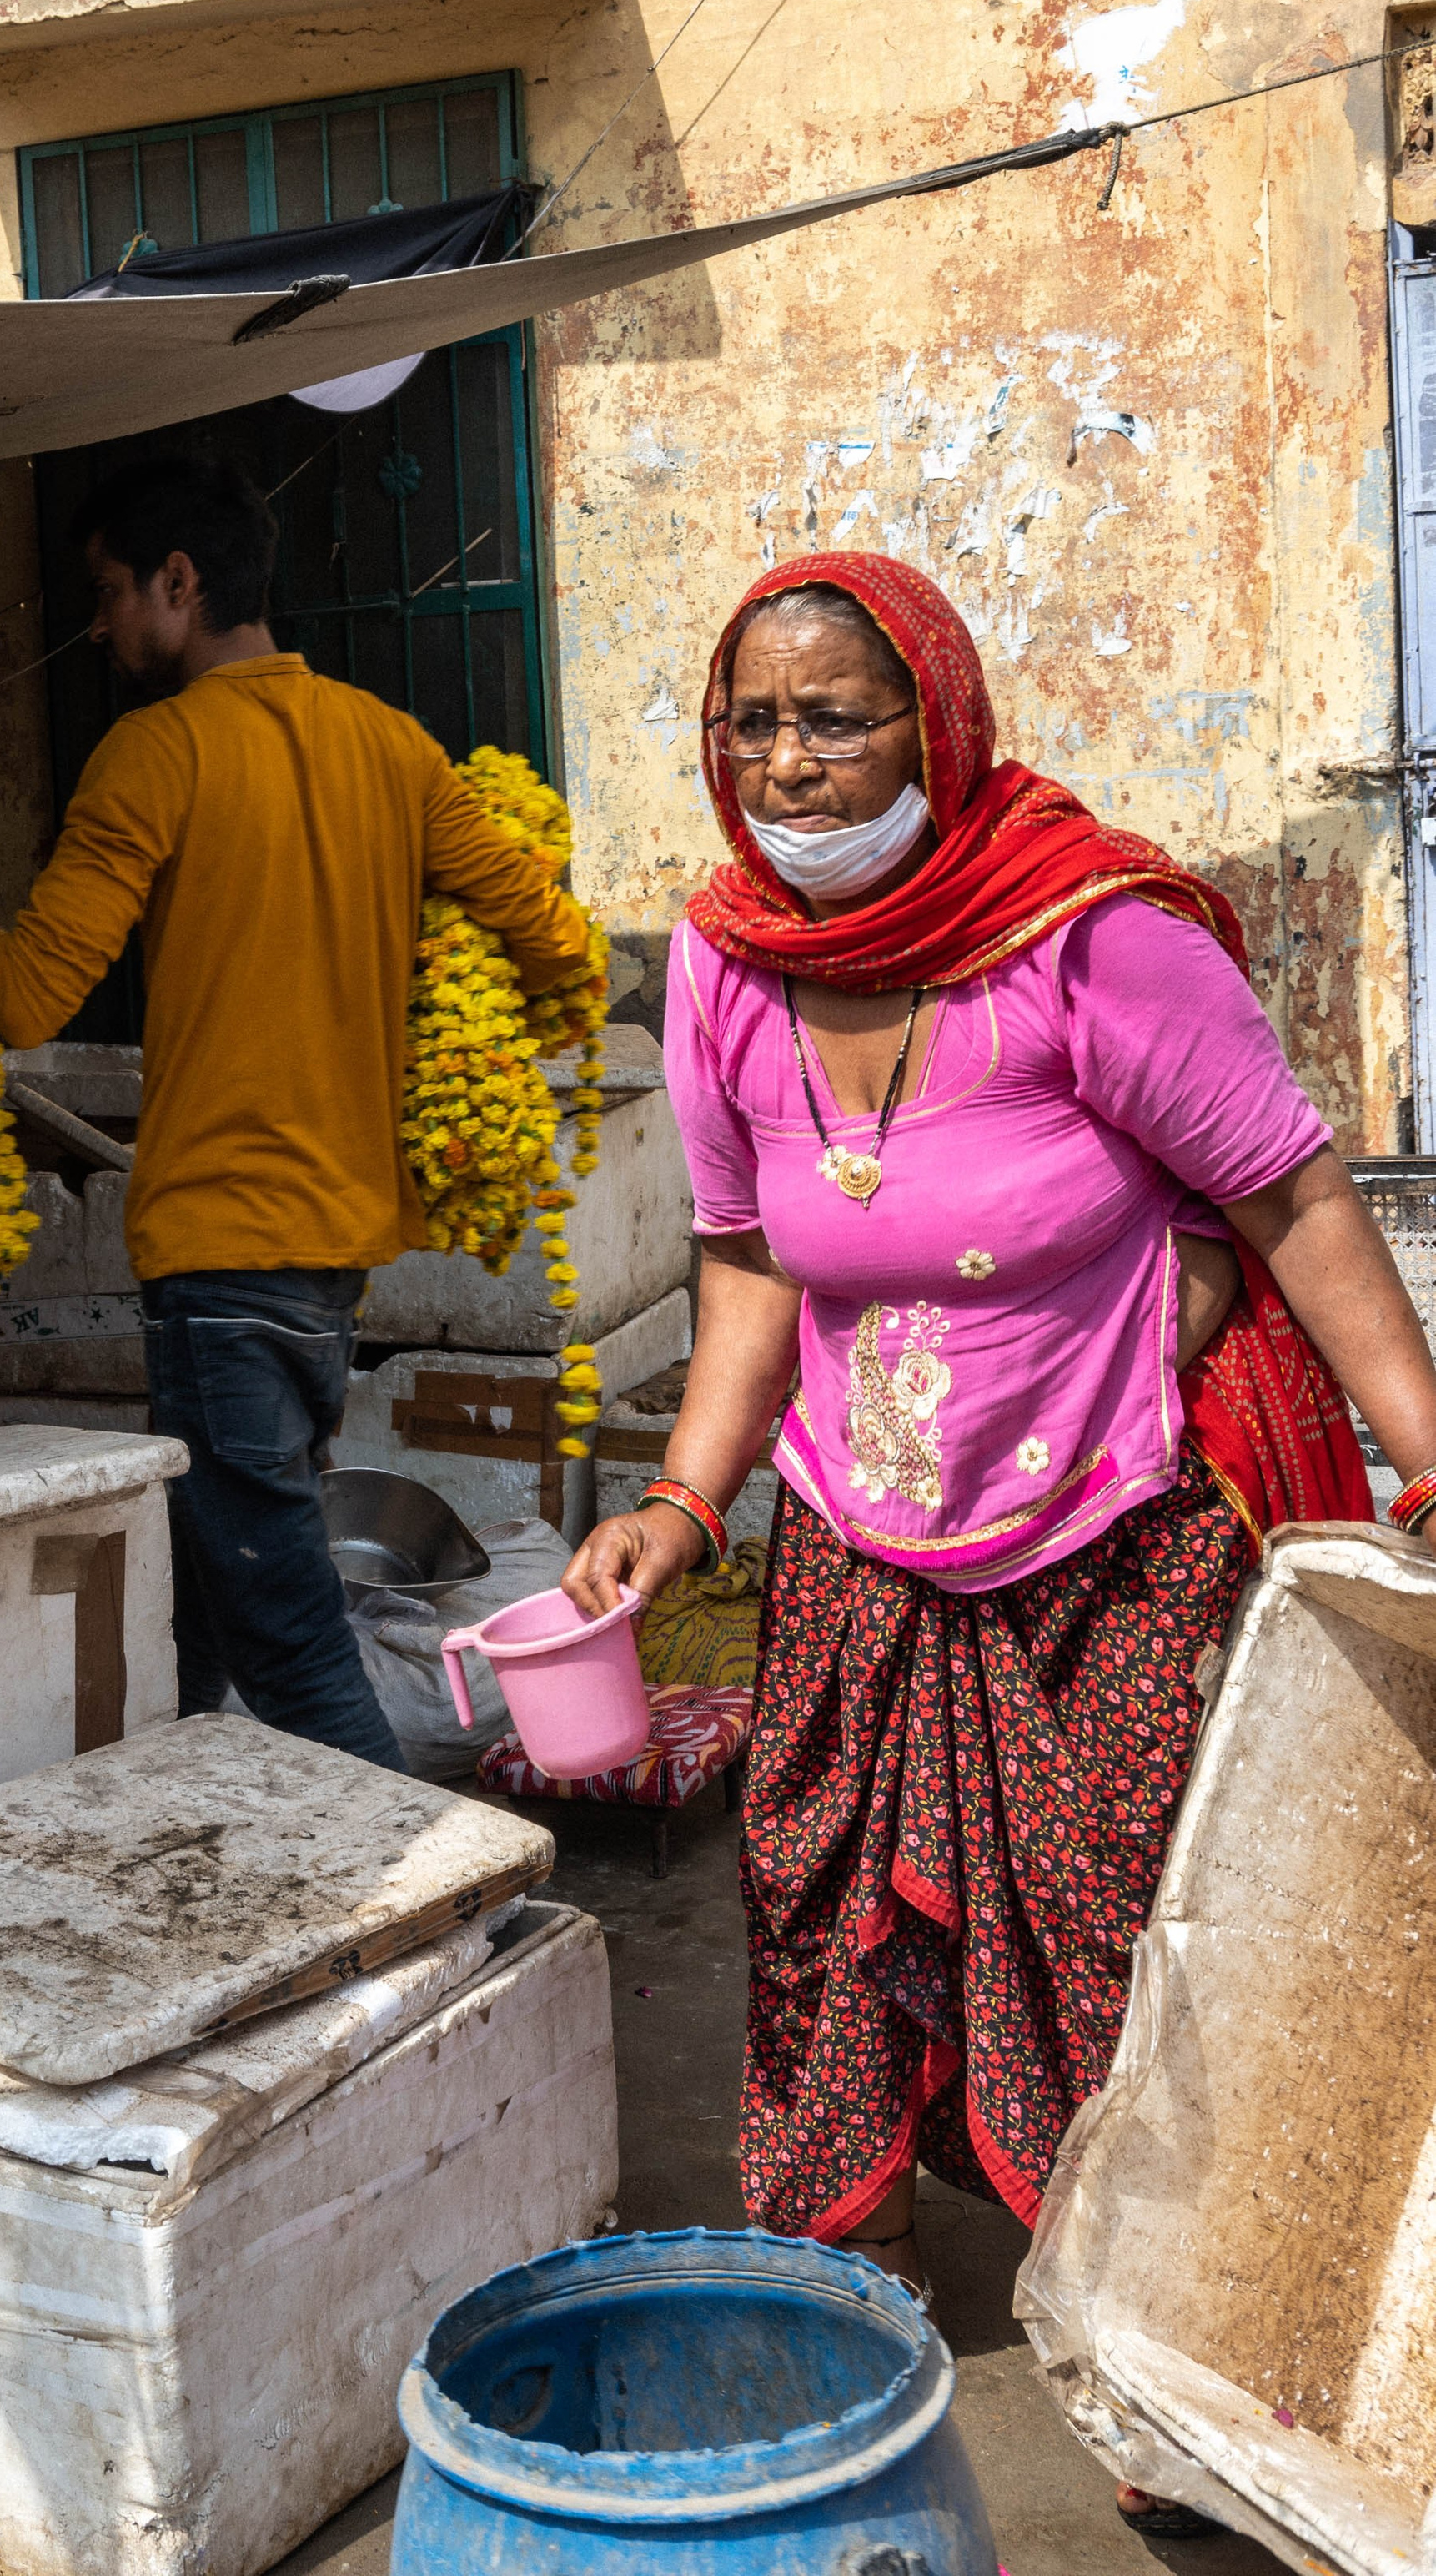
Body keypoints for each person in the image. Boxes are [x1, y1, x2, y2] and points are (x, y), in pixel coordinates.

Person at [561, 553, 1436, 2541]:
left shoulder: (1085, 944)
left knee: (1122, 1948)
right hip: (861, 1539)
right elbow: (740, 1259)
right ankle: (843, 2271)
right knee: (816, 1907)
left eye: (832, 717)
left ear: (931, 724)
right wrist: (680, 1500)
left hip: (1101, 1537)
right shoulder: (720, 963)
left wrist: (1423, 1460)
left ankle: (1160, 2346)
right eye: (747, 721)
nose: (784, 763)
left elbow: (1289, 1201)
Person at [0, 450, 595, 1770]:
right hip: (325, 1265)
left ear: (181, 584)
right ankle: (187, 1812)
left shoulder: (156, 752)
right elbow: (553, 938)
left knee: (286, 1633)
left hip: (224, 1257)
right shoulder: (392, 747)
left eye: (112, 592)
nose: (100, 623)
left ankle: (413, 1887)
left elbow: (24, 996)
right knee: (188, 1598)